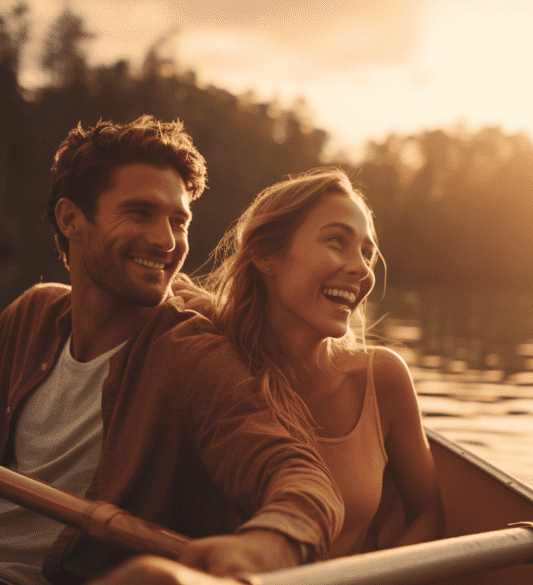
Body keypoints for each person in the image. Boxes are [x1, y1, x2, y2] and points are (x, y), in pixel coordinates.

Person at [0, 116, 343, 585]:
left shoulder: (190, 355)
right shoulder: (34, 315)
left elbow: (303, 479)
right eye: (140, 212)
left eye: (178, 221)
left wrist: (267, 546)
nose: (166, 241)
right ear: (70, 219)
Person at [177, 168, 445, 558]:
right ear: (266, 255)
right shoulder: (208, 358)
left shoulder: (381, 378)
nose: (362, 269)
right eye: (337, 241)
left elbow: (429, 515)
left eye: (367, 252)